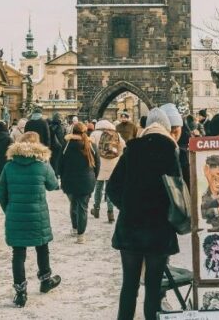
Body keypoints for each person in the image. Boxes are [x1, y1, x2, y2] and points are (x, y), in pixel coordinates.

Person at [107, 107, 180, 320]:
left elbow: (112, 188)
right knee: (153, 286)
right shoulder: (171, 152)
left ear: (146, 128)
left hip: (131, 227)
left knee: (129, 284)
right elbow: (179, 192)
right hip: (159, 229)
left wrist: (129, 206)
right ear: (167, 128)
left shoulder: (132, 149)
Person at [0, 132, 62, 307]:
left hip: (15, 215)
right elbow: (53, 185)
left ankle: (20, 292)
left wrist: (10, 210)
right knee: (42, 248)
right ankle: (45, 280)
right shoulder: (41, 165)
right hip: (37, 214)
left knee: (18, 254)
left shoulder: (9, 166)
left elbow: (0, 194)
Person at [59, 122, 100, 244]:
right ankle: (81, 235)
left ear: (73, 131)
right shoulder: (90, 144)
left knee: (73, 203)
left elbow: (60, 163)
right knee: (83, 207)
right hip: (87, 180)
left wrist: (62, 176)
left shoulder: (66, 144)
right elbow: (97, 163)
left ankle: (75, 228)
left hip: (69, 179)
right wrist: (94, 176)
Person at [90, 119, 125, 223]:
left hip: (99, 165)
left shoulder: (94, 134)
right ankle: (110, 213)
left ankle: (96, 210)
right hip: (112, 166)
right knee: (109, 190)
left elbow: (89, 148)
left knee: (98, 188)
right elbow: (123, 147)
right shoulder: (116, 134)